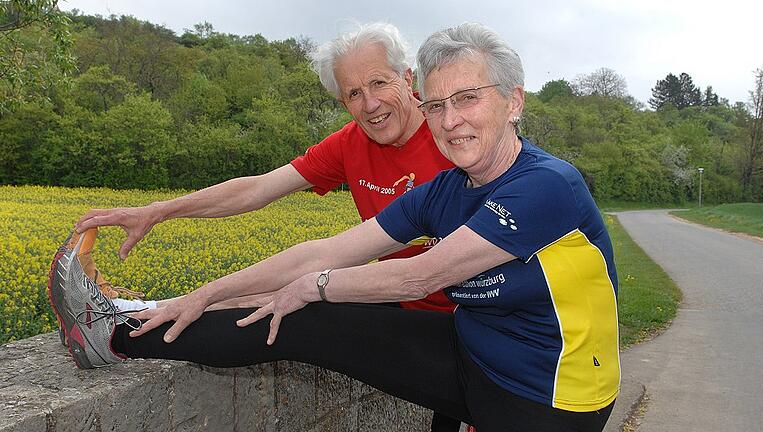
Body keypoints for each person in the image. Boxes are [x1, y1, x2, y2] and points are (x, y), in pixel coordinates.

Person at [51, 23, 620, 431]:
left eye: (467, 100)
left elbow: (417, 277)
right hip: (473, 350)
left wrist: (314, 285)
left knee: (304, 301)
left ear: (514, 102)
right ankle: (115, 333)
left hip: (549, 397)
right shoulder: (445, 189)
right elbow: (323, 249)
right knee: (295, 314)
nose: (449, 120)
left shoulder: (548, 184)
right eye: (439, 104)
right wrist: (205, 293)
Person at [73, 23, 463, 431]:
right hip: (401, 301)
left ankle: (121, 327)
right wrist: (157, 210)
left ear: (408, 79)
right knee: (270, 298)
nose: (370, 104)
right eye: (353, 93)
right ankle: (127, 317)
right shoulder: (352, 142)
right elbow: (257, 189)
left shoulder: (452, 137)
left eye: (379, 83)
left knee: (298, 307)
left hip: (463, 321)